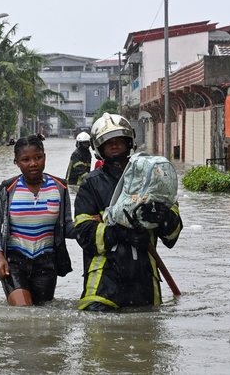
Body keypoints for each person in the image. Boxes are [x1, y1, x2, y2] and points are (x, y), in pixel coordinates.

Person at [73, 113, 183, 311]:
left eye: (119, 141)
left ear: (129, 142)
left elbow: (172, 237)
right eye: (108, 142)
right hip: (102, 285)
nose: (114, 146)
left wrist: (163, 217)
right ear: (99, 148)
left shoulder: (154, 179)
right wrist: (120, 234)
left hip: (145, 285)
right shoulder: (91, 184)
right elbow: (84, 234)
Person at [0, 135, 74, 306]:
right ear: (16, 162)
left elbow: (67, 226)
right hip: (14, 263)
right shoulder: (7, 190)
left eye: (38, 158)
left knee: (41, 317)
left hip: (46, 264)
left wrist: (89, 226)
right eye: (25, 159)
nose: (33, 163)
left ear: (44, 158)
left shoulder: (59, 188)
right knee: (23, 310)